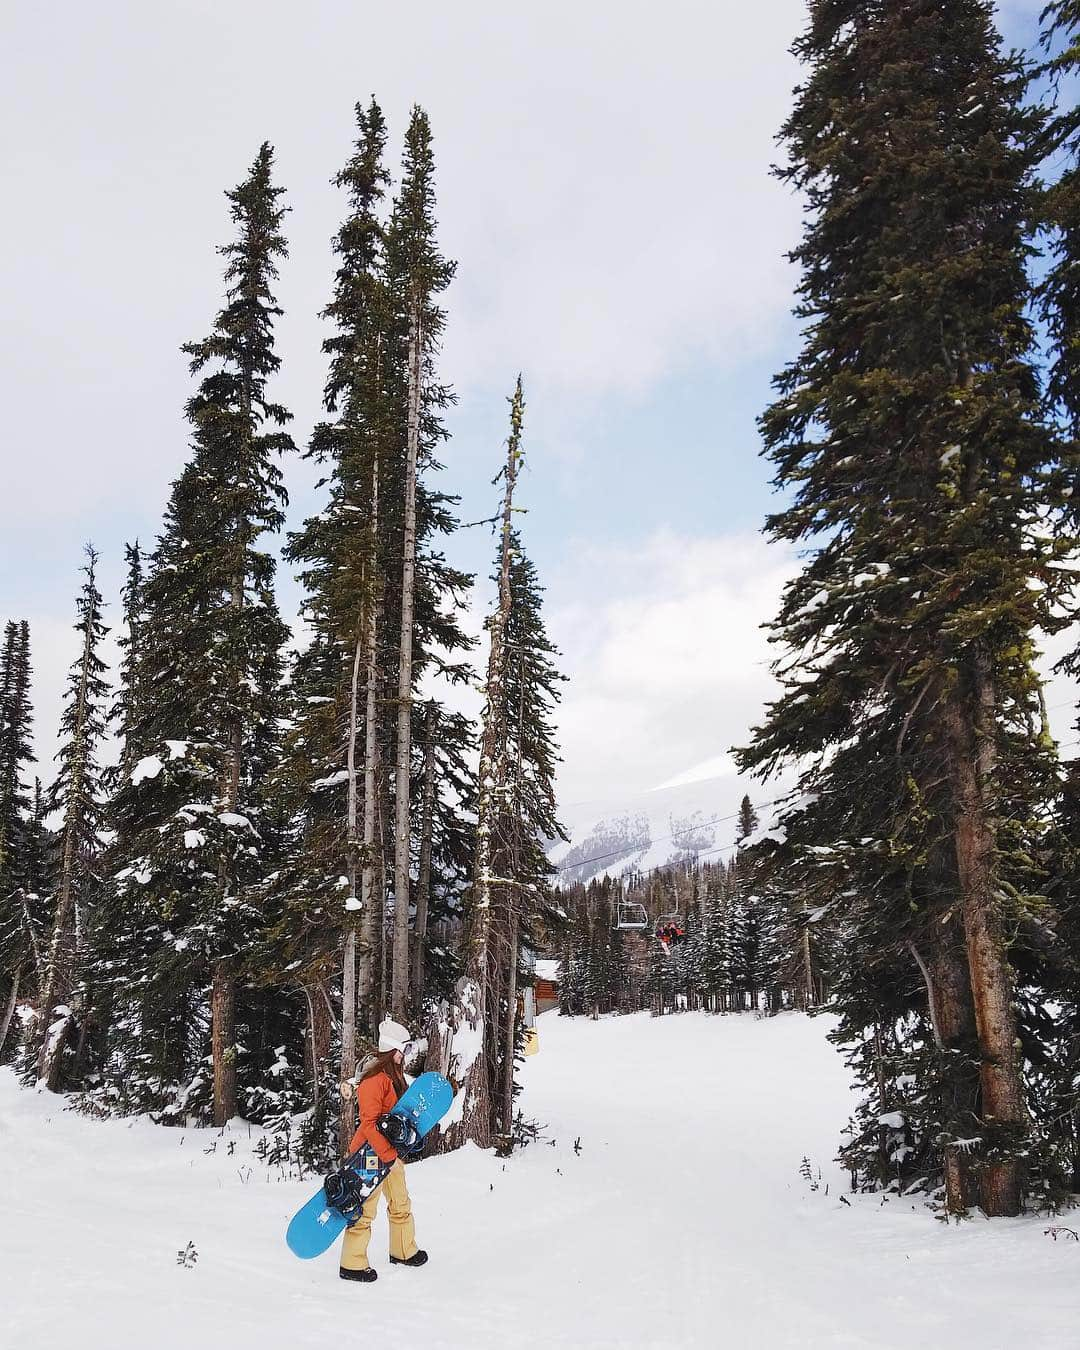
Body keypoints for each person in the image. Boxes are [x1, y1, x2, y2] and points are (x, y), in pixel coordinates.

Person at [339, 1018, 429, 1284]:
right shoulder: (373, 1080)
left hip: (389, 1154)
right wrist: (388, 1156)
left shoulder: (393, 1077)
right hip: (369, 1155)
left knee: (400, 1202)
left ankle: (403, 1250)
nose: (406, 1055)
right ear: (392, 1050)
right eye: (405, 1049)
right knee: (366, 1209)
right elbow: (368, 1125)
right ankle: (352, 1264)